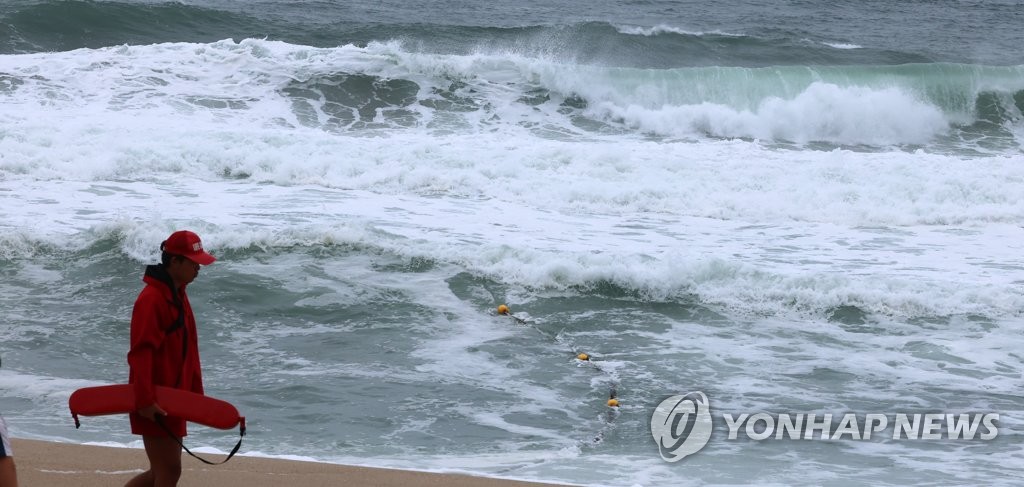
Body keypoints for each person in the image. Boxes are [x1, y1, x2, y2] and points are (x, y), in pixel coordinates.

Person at [125, 230, 215, 487]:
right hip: (155, 400)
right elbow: (141, 353)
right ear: (174, 262)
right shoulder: (152, 299)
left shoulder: (178, 293)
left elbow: (188, 350)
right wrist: (145, 400)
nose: (198, 268)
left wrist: (193, 396)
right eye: (193, 262)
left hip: (173, 397)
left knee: (161, 471)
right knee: (168, 471)